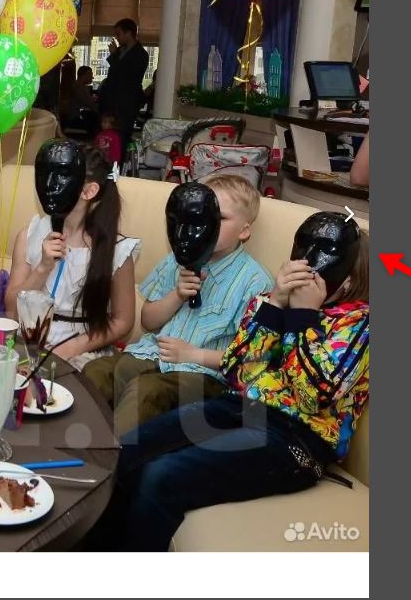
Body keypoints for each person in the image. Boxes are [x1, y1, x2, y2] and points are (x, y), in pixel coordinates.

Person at [87, 212, 371, 552]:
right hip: (236, 407)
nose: (308, 262)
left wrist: (302, 317)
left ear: (349, 280)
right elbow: (237, 369)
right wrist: (275, 305)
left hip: (295, 439)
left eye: (324, 253)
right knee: (126, 452)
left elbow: (312, 397)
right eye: (302, 248)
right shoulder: (273, 301)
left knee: (162, 476)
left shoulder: (360, 324)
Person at [82, 174, 273, 436]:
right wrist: (176, 296)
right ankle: (74, 443)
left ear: (244, 231)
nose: (205, 226)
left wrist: (193, 355)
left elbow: (251, 357)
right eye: (199, 217)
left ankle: (110, 455)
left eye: (218, 218)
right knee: (97, 371)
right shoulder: (175, 259)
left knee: (147, 391)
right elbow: (148, 320)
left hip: (204, 375)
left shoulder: (255, 282)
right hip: (150, 355)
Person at [6, 140, 140, 370]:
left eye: (61, 177)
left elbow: (122, 321)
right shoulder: (30, 234)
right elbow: (11, 307)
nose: (49, 185)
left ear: (89, 191)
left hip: (83, 349)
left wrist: (72, 348)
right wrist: (42, 267)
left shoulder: (116, 250)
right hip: (29, 339)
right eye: (46, 175)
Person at [98, 17, 150, 147]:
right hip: (111, 103)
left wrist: (114, 56)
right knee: (106, 139)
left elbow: (127, 77)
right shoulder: (120, 51)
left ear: (129, 33)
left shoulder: (140, 54)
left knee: (121, 140)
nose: (117, 38)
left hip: (126, 105)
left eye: (118, 34)